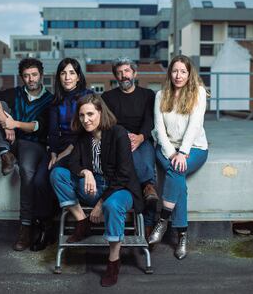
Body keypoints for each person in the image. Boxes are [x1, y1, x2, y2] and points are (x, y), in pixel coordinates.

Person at [50, 94, 143, 287]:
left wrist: (100, 204)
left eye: (90, 114)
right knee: (57, 173)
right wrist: (86, 172)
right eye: (82, 115)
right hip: (92, 187)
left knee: (112, 204)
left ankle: (113, 261)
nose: (86, 120)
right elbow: (72, 162)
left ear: (100, 112)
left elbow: (124, 174)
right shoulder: (83, 136)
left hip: (120, 189)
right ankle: (82, 222)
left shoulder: (118, 133)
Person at [0, 58, 55, 252]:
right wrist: (5, 119)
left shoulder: (50, 100)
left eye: (34, 74)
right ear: (21, 77)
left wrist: (14, 124)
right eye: (26, 75)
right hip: (13, 142)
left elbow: (39, 127)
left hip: (34, 145)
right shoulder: (16, 93)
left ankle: (25, 227)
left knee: (26, 172)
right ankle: (5, 153)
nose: (30, 79)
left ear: (41, 75)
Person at [148, 55, 209, 260]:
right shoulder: (161, 95)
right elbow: (159, 129)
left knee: (177, 170)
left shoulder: (198, 93)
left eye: (183, 71)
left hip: (195, 149)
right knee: (178, 177)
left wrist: (183, 153)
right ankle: (182, 235)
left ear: (189, 73)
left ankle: (163, 220)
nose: (178, 75)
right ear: (169, 73)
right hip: (166, 149)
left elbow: (195, 126)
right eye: (175, 71)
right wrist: (172, 152)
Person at [101, 57, 158, 238]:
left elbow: (150, 121)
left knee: (147, 154)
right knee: (131, 161)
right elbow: (108, 123)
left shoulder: (148, 95)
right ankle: (147, 190)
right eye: (119, 72)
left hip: (143, 138)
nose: (123, 75)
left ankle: (148, 190)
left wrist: (140, 137)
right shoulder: (107, 97)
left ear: (134, 73)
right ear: (115, 76)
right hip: (119, 141)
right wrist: (125, 137)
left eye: (126, 71)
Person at [48, 58, 93, 170]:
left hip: (83, 143)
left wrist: (66, 152)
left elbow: (89, 129)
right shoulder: (55, 101)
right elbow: (53, 132)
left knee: (58, 170)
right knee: (40, 179)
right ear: (59, 77)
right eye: (63, 73)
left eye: (72, 73)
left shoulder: (88, 96)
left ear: (78, 77)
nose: (67, 78)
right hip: (62, 144)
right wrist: (53, 154)